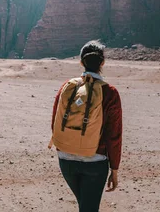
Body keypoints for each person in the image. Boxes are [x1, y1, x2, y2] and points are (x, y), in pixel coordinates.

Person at [49, 40, 123, 212]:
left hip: (65, 159)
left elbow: (55, 121)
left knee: (86, 205)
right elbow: (114, 135)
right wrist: (115, 169)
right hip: (94, 162)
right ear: (102, 63)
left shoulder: (66, 87)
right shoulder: (110, 93)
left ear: (81, 62)